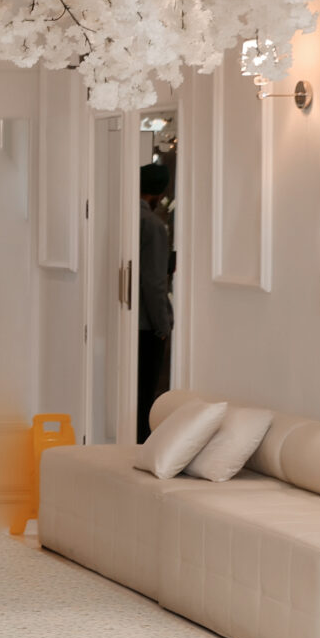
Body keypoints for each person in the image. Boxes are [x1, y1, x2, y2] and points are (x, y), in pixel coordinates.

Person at [137, 159, 175, 442]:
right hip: (147, 325)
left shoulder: (122, 217)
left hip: (126, 321)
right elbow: (154, 281)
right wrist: (163, 325)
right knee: (145, 394)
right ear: (159, 192)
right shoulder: (152, 225)